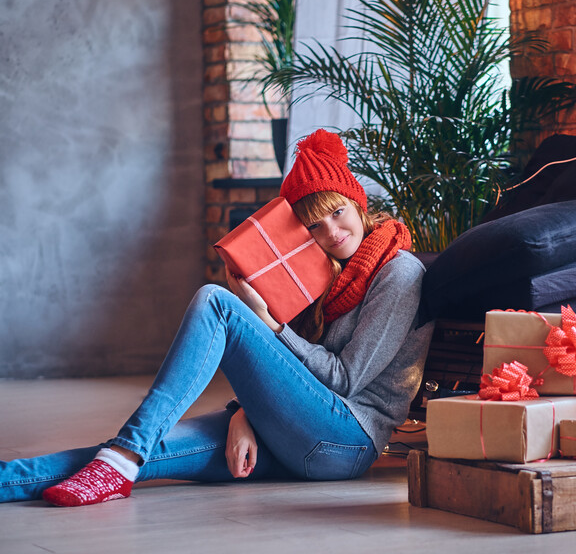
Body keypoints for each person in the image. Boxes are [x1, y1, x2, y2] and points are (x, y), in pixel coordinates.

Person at [0, 129, 434, 506]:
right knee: (137, 451)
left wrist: (270, 323)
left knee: (217, 301)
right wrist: (246, 413)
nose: (332, 232)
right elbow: (288, 376)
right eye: (314, 226)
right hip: (295, 429)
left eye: (337, 212)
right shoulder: (322, 276)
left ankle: (125, 457)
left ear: (357, 204)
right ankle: (37, 475)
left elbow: (344, 380)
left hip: (345, 442)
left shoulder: (399, 273)